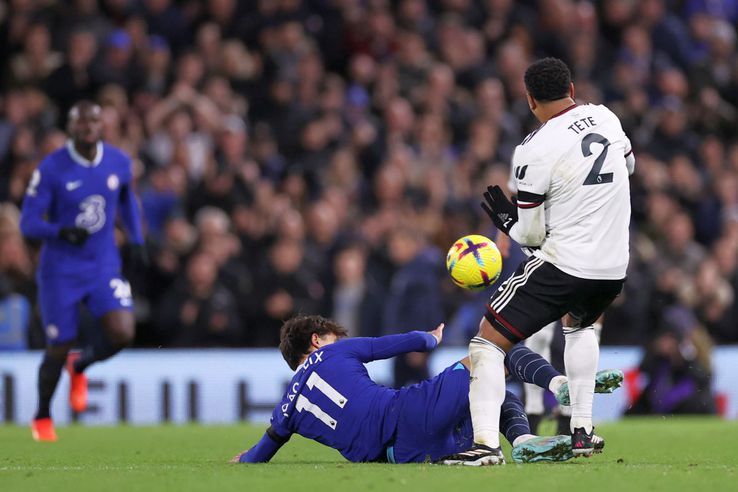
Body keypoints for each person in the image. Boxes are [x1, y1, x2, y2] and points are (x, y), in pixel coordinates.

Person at [442, 58, 634, 465]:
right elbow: (628, 165)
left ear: (529, 100)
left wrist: (508, 222)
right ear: (573, 87)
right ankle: (582, 430)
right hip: (613, 266)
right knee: (579, 327)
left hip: (565, 264)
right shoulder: (606, 116)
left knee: (487, 339)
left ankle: (486, 445)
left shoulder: (534, 148)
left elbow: (529, 236)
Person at [231, 314, 622, 465]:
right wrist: (431, 338)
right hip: (408, 412)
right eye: (333, 336)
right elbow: (392, 345)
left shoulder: (286, 408)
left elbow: (262, 451)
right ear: (317, 340)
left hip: (403, 454)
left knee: (492, 395)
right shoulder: (334, 352)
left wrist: (242, 461)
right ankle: (558, 385)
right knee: (493, 352)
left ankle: (521, 442)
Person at [19, 101, 146, 441]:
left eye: (94, 120)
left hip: (103, 263)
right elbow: (28, 222)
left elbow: (126, 199)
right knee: (59, 343)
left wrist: (136, 239)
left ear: (102, 125)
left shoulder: (118, 161)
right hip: (60, 268)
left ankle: (81, 366)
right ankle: (43, 415)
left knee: (122, 333)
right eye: (81, 121)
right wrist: (59, 230)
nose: (88, 126)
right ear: (71, 127)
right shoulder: (52, 168)